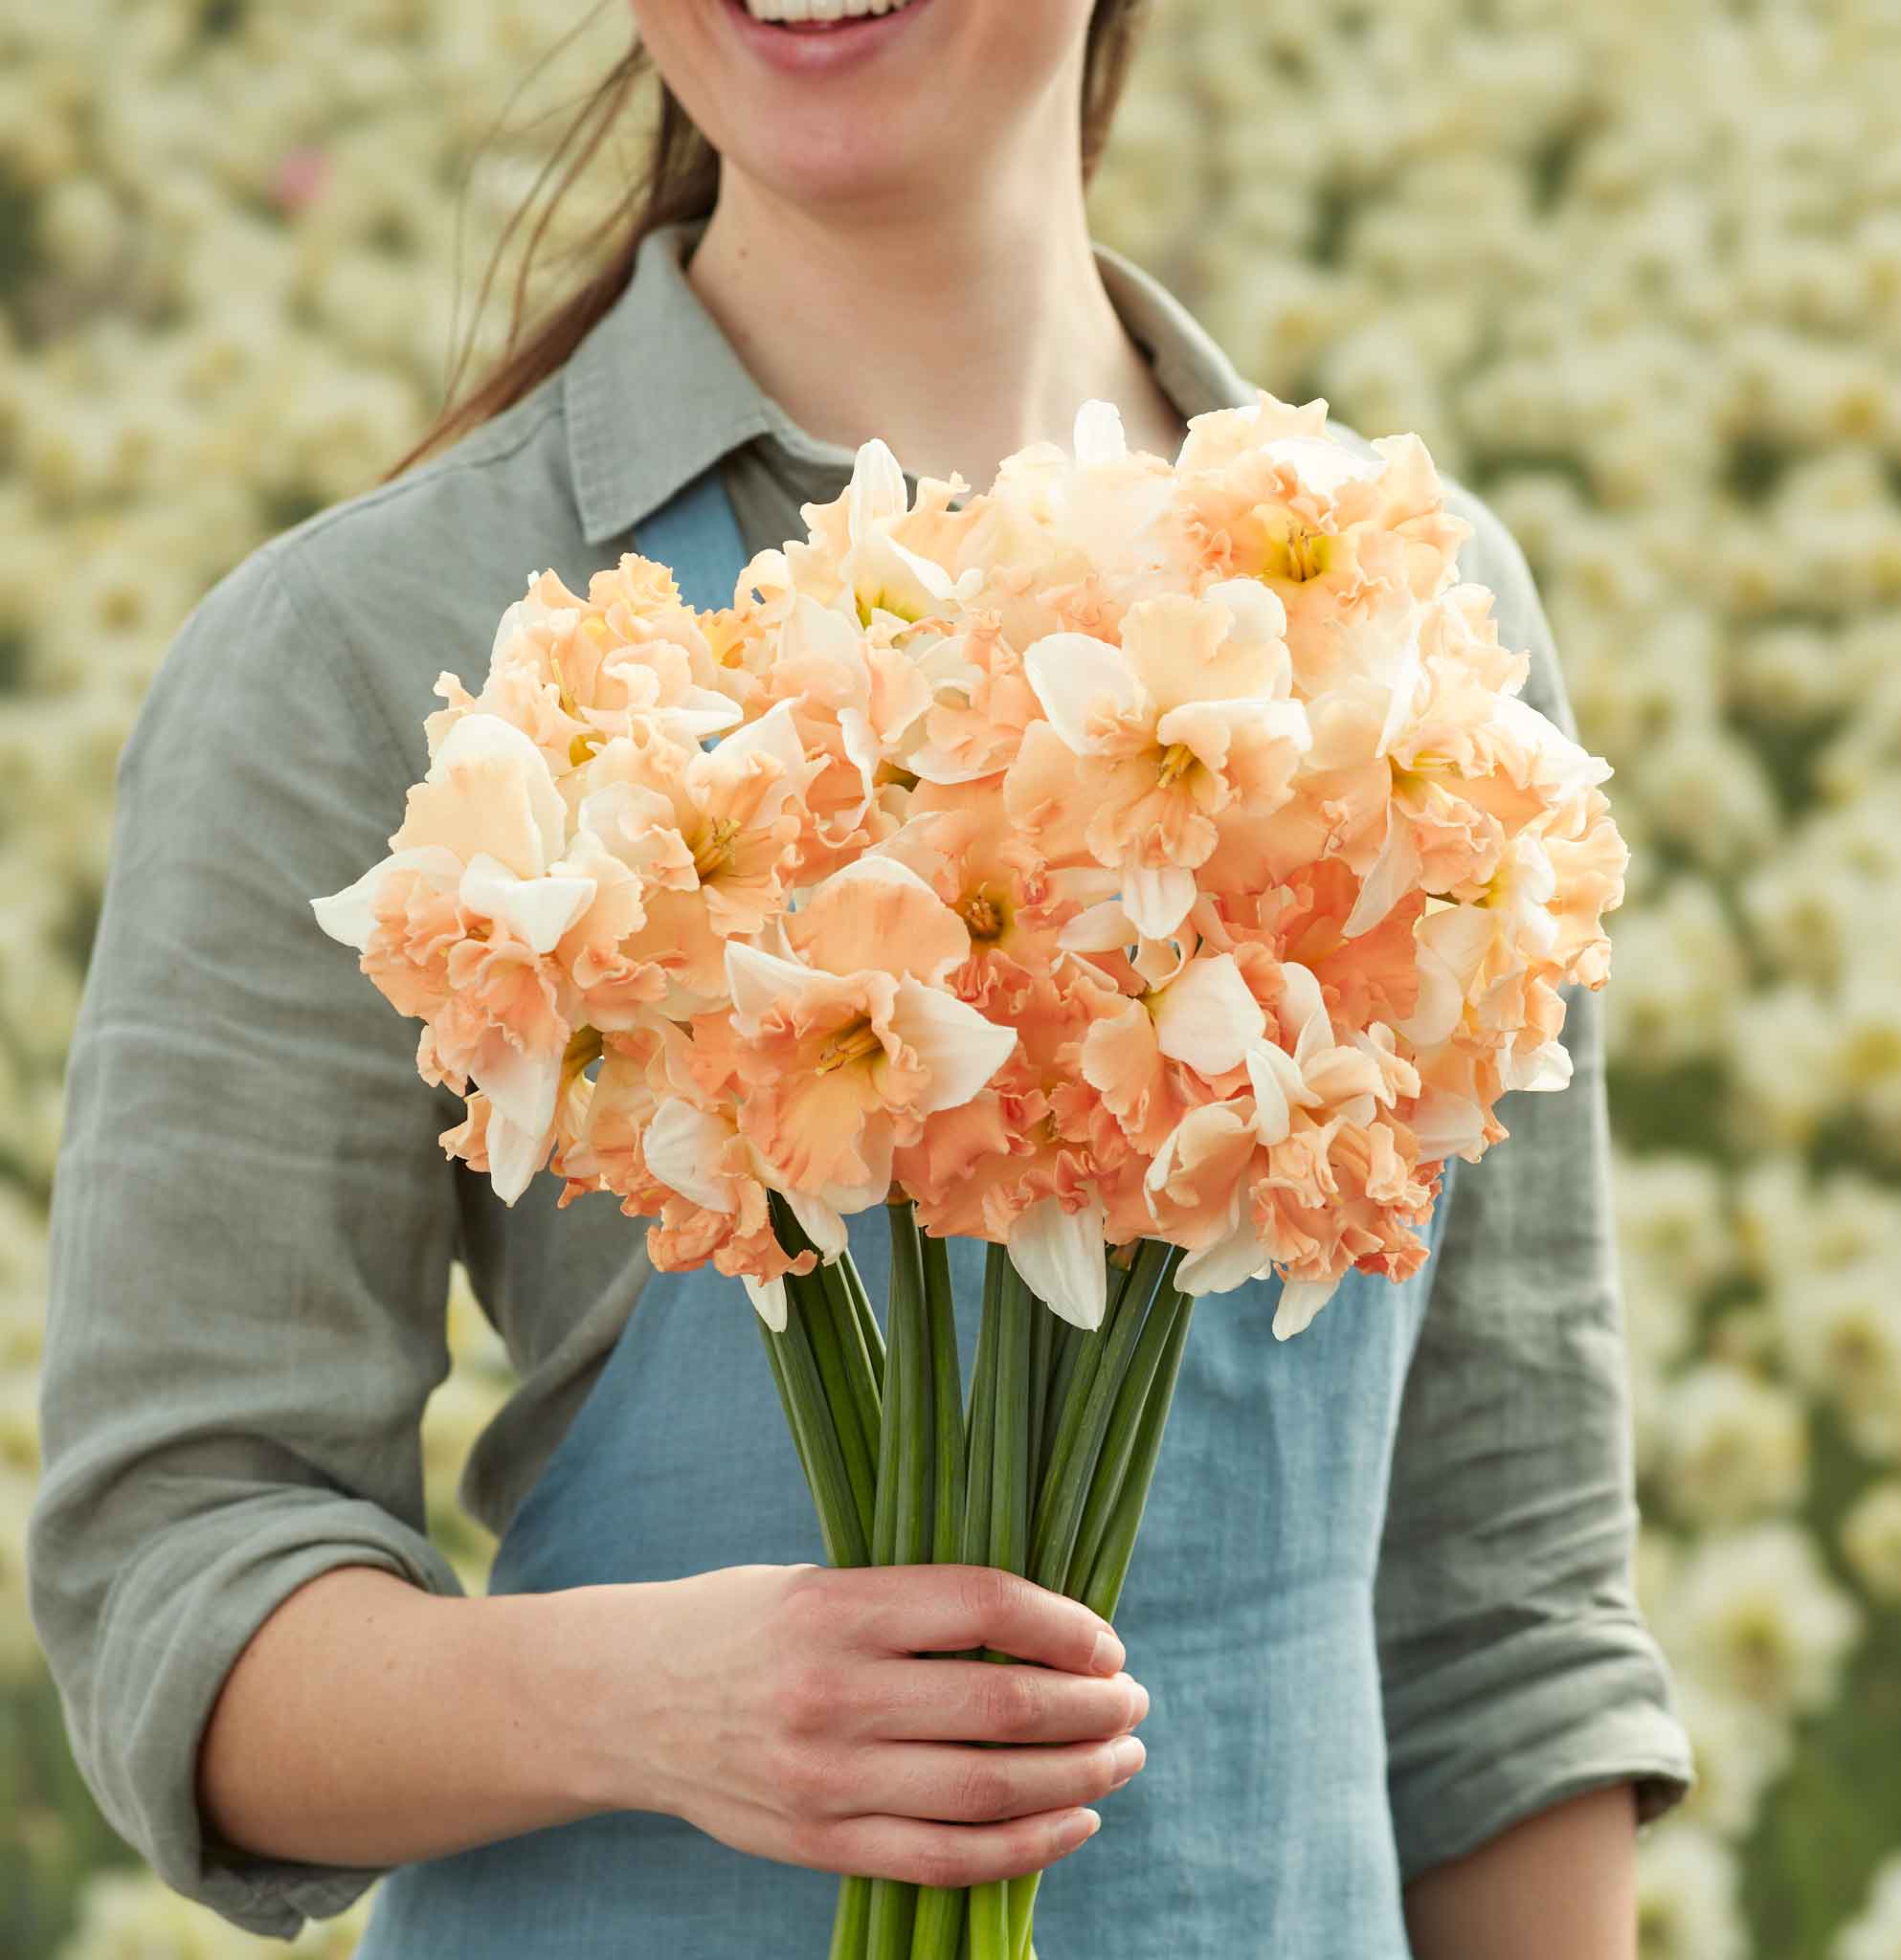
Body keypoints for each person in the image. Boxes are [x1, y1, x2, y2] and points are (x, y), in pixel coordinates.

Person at [27, 1, 1694, 1954]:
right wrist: (657, 1703)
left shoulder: (1413, 648)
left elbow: (1505, 1624)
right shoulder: (359, 648)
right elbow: (178, 1586)